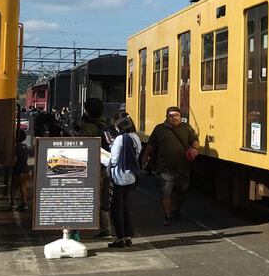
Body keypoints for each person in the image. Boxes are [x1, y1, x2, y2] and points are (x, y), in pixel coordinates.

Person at [143, 106, 200, 226]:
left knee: (183, 191)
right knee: (166, 192)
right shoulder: (159, 129)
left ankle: (176, 208)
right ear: (166, 117)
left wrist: (195, 148)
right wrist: (145, 156)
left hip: (183, 167)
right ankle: (167, 214)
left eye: (176, 115)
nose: (174, 118)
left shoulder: (187, 128)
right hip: (165, 168)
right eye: (171, 116)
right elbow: (151, 144)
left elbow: (194, 140)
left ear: (180, 116)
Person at [79, 97, 115, 238]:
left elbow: (82, 150)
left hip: (96, 168)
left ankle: (89, 227)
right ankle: (108, 228)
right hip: (111, 167)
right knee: (107, 198)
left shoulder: (88, 128)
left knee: (95, 198)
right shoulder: (110, 124)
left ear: (87, 112)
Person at [107, 117, 142, 248]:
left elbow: (115, 159)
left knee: (117, 208)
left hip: (120, 176)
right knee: (127, 207)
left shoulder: (120, 139)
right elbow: (137, 154)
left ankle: (120, 238)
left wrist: (111, 148)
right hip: (132, 175)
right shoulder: (136, 137)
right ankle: (128, 236)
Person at [11, 125, 30, 212]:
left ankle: (12, 203)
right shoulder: (25, 147)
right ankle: (24, 203)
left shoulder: (15, 148)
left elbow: (15, 159)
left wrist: (11, 166)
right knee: (23, 188)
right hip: (26, 171)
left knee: (13, 187)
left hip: (18, 171)